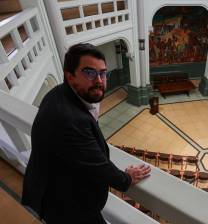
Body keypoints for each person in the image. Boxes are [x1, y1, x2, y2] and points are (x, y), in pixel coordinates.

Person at [22, 43, 151, 224]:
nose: (99, 80)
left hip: (60, 188)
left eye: (103, 73)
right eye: (89, 73)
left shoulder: (58, 93)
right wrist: (127, 178)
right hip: (67, 206)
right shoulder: (69, 120)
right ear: (70, 76)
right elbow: (98, 165)